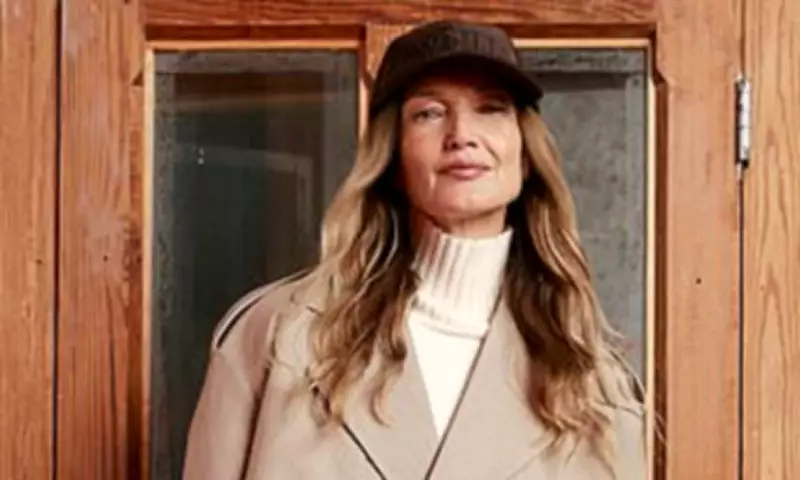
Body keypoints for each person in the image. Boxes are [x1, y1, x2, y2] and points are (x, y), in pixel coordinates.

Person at [183, 20, 646, 480]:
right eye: (429, 113)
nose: (462, 134)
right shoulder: (275, 339)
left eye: (491, 109)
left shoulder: (597, 389)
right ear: (393, 158)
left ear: (525, 156)